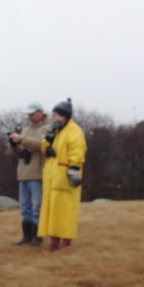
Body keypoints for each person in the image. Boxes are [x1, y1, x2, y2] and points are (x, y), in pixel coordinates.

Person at [38, 98, 87, 251]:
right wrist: (48, 142)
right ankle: (54, 240)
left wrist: (73, 171)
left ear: (65, 116)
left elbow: (77, 153)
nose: (55, 119)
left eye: (58, 115)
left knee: (65, 210)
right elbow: (44, 146)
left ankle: (66, 242)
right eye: (54, 115)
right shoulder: (55, 131)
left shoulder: (75, 131)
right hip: (51, 177)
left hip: (65, 177)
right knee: (52, 210)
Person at [7, 102, 51, 246]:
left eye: (32, 114)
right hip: (23, 173)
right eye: (28, 114)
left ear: (40, 112)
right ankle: (26, 236)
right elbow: (20, 150)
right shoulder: (25, 130)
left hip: (37, 173)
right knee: (25, 207)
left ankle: (37, 237)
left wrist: (22, 140)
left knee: (36, 206)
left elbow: (42, 145)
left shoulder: (48, 128)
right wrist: (14, 143)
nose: (30, 117)